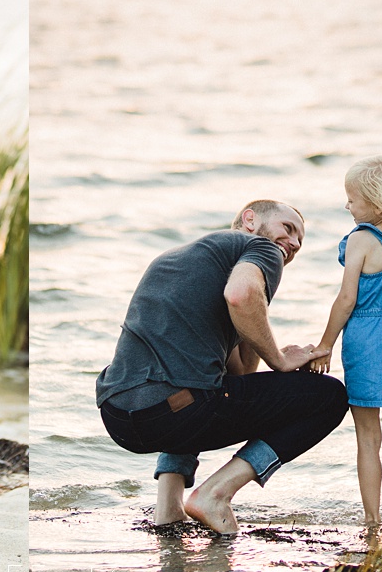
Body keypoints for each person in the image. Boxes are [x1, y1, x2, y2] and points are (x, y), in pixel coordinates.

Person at [95, 200, 348, 535]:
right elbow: (242, 294)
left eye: (301, 240)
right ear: (249, 219)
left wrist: (264, 344)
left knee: (204, 382)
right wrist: (280, 360)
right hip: (172, 410)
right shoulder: (261, 249)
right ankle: (216, 494)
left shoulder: (183, 259)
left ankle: (168, 508)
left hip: (118, 416)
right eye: (288, 228)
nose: (295, 243)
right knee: (329, 397)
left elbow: (239, 374)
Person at [310, 156, 382, 527]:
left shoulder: (361, 240)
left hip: (371, 338)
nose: (347, 205)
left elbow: (346, 300)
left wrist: (325, 344)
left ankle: (373, 520)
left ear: (375, 202)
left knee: (367, 436)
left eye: (352, 198)